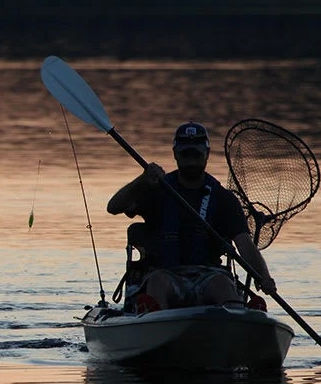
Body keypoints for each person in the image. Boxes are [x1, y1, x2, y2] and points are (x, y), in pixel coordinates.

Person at [106, 120, 277, 312]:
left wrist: (264, 276)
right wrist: (142, 180)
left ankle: (237, 314)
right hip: (166, 273)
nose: (191, 160)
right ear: (175, 154)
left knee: (222, 284)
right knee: (157, 281)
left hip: (208, 275)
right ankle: (152, 316)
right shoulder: (156, 189)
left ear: (206, 154)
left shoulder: (223, 198)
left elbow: (245, 244)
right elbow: (113, 207)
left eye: (196, 154)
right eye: (185, 154)